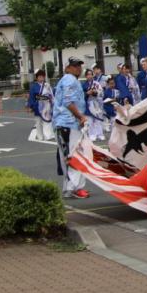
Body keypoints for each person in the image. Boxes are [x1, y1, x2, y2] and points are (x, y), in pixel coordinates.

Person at [53, 57, 91, 199]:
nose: (78, 69)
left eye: (79, 66)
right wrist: (80, 116)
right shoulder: (69, 79)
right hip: (67, 124)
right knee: (72, 156)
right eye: (75, 66)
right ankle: (73, 188)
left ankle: (73, 187)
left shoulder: (71, 80)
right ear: (67, 68)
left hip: (70, 124)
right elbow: (68, 102)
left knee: (76, 155)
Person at [83, 64, 110, 142]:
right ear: (86, 76)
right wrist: (87, 93)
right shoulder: (84, 85)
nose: (89, 76)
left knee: (98, 119)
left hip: (97, 103)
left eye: (91, 74)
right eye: (88, 75)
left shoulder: (97, 84)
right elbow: (82, 95)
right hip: (89, 103)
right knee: (90, 120)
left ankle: (100, 134)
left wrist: (96, 92)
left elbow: (101, 93)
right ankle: (92, 134)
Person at [27, 69, 56, 142]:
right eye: (39, 76)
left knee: (47, 121)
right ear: (37, 78)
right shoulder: (34, 86)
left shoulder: (47, 85)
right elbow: (32, 97)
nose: (41, 78)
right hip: (37, 106)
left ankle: (47, 135)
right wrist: (30, 106)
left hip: (46, 106)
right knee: (38, 122)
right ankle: (40, 137)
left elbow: (51, 95)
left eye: (42, 76)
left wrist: (49, 89)